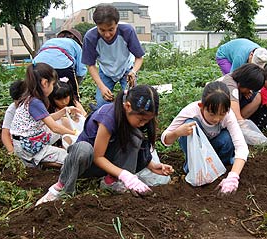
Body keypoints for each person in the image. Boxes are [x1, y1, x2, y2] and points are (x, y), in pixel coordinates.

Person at [35, 85, 174, 205]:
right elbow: (97, 156)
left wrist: (151, 165)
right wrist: (125, 175)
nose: (143, 124)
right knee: (84, 148)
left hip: (105, 164)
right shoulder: (108, 117)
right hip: (86, 163)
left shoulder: (130, 118)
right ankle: (61, 187)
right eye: (141, 119)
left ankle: (110, 181)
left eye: (147, 120)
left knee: (136, 136)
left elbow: (133, 145)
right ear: (127, 106)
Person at [161, 81, 249, 194]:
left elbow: (241, 147)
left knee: (227, 137)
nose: (217, 119)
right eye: (212, 113)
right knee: (190, 124)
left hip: (216, 147)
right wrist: (177, 133)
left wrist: (233, 176)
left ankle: (219, 169)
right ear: (201, 106)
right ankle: (193, 167)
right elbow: (165, 139)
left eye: (222, 114)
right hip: (197, 150)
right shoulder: (191, 111)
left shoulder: (229, 115)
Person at [10, 63, 81, 168]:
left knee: (62, 121)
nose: (53, 87)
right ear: (44, 83)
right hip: (29, 146)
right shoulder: (35, 102)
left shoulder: (30, 98)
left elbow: (47, 120)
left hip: (24, 141)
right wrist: (75, 133)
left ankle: (42, 158)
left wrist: (64, 111)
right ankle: (39, 161)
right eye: (52, 84)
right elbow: (54, 127)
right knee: (70, 158)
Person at [82, 4, 145, 108]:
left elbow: (139, 57)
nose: (107, 34)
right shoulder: (90, 37)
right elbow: (91, 65)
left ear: (117, 24)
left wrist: (133, 72)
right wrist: (101, 86)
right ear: (96, 25)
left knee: (131, 100)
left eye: (111, 29)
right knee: (102, 102)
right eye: (102, 30)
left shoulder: (127, 31)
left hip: (126, 69)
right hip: (106, 71)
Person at [34, 28, 87, 101]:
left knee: (42, 96)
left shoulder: (49, 41)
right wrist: (75, 83)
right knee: (72, 97)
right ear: (77, 40)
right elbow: (81, 70)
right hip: (62, 65)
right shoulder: (75, 44)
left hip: (38, 66)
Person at [1, 80, 25, 154]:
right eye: (18, 103)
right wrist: (12, 152)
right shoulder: (12, 109)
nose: (20, 106)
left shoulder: (35, 105)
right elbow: (5, 134)